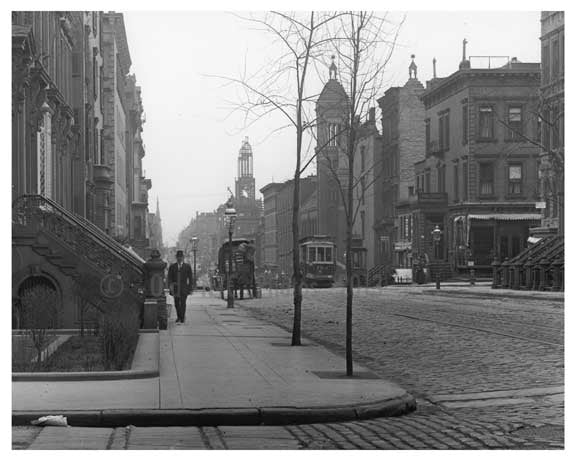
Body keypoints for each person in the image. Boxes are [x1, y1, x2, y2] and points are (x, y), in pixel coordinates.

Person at [167, 250, 193, 324]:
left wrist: (190, 288)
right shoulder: (172, 266)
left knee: (183, 303)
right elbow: (170, 277)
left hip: (184, 288)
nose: (180, 258)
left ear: (183, 257)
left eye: (181, 257)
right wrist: (170, 287)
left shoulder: (187, 266)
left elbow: (190, 278)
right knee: (177, 303)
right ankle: (179, 316)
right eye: (178, 257)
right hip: (175, 288)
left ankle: (182, 317)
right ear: (176, 257)